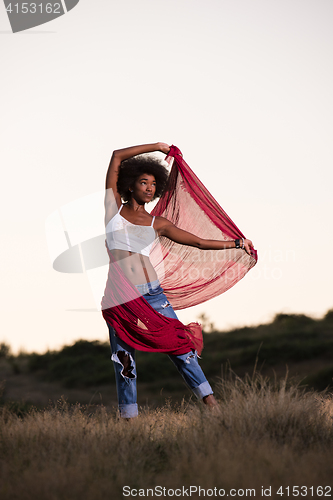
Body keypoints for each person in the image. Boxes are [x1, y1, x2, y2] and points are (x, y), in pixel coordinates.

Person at [103, 142, 254, 419]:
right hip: (121, 297)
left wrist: (235, 243)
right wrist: (157, 146)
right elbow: (116, 156)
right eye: (143, 182)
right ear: (129, 184)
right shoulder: (112, 209)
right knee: (124, 360)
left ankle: (213, 407)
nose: (149, 188)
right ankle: (129, 421)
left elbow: (197, 241)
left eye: (152, 184)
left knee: (182, 348)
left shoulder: (157, 223)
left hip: (152, 295)